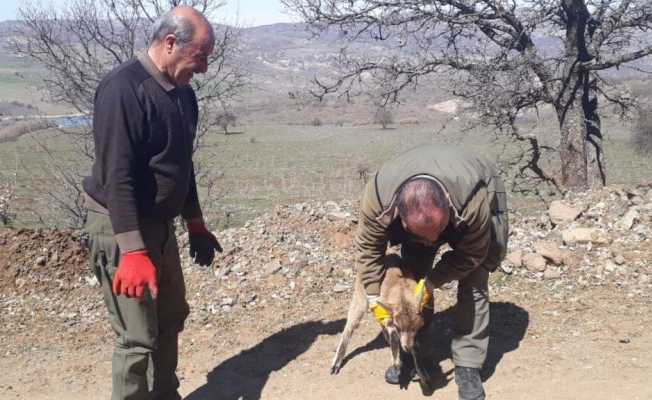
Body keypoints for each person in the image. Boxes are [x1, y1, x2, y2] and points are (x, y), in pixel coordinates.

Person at [82, 6, 222, 400]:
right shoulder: (122, 90)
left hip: (159, 229)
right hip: (120, 227)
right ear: (170, 43)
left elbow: (181, 164)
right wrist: (132, 250)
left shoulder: (183, 96)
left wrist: (194, 221)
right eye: (200, 57)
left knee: (170, 318)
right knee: (137, 337)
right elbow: (117, 177)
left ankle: (165, 395)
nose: (205, 68)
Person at [356, 144, 508, 400]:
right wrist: (373, 295)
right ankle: (418, 351)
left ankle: (468, 364)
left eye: (439, 232)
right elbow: (369, 251)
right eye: (425, 236)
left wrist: (432, 282)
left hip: (473, 195)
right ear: (401, 220)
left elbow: (472, 254)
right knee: (412, 273)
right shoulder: (377, 198)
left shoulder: (473, 201)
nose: (434, 241)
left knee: (474, 278)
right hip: (415, 207)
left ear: (447, 208)